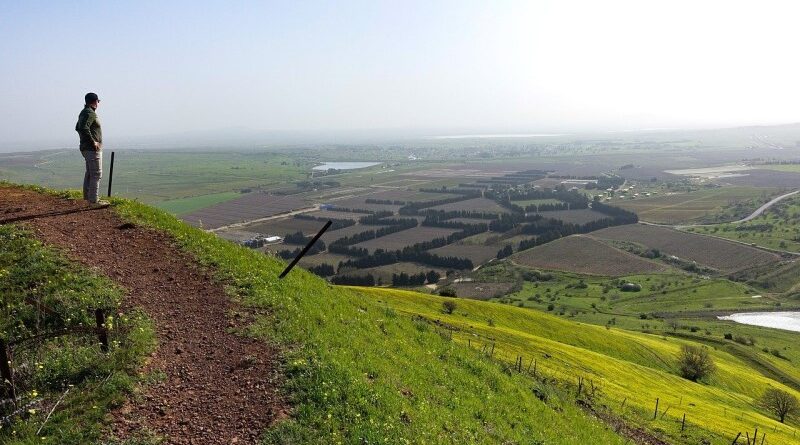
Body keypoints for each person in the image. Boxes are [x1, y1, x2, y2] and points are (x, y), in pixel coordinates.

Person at [75, 92, 108, 205]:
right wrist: (93, 141)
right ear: (95, 102)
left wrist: (84, 141)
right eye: (98, 101)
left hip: (85, 148)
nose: (98, 103)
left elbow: (78, 127)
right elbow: (83, 128)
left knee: (90, 173)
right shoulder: (90, 113)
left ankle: (88, 198)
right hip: (91, 149)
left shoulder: (83, 112)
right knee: (96, 174)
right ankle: (94, 200)